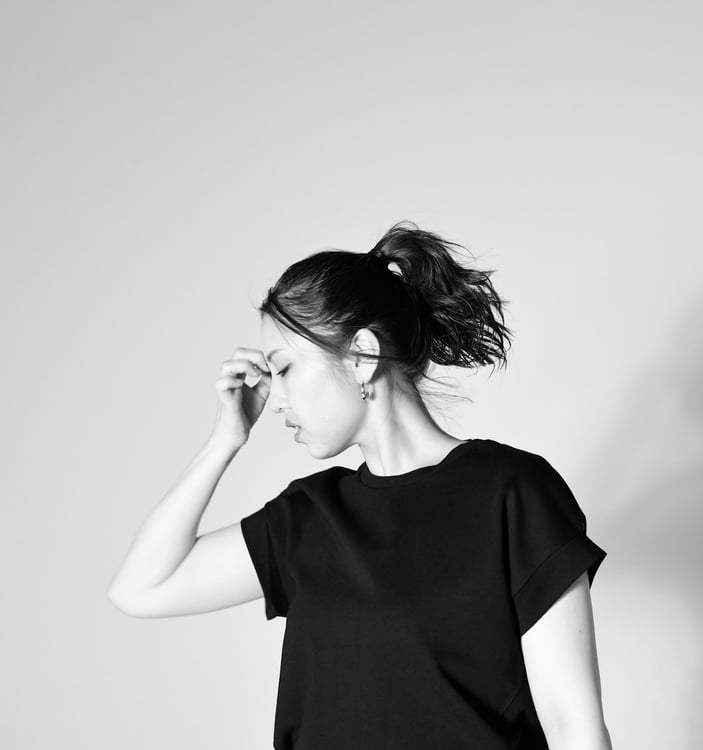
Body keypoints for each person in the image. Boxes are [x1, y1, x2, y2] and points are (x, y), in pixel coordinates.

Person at [108, 221, 612, 750]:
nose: (275, 399)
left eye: (284, 370)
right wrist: (224, 441)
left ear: (362, 355)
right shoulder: (307, 516)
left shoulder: (510, 492)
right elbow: (141, 588)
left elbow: (573, 725)